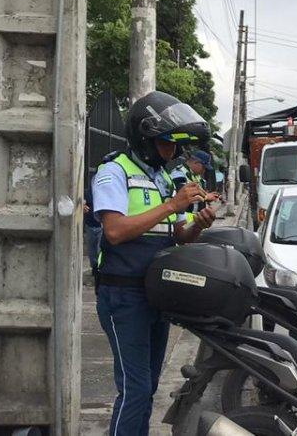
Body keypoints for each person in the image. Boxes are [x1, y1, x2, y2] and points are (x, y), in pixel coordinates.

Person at [92, 91, 218, 435]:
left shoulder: (161, 177)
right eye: (166, 144)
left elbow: (177, 234)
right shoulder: (113, 172)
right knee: (134, 389)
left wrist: (198, 224)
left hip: (155, 293)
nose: (172, 152)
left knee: (148, 387)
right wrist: (172, 206)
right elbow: (114, 231)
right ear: (145, 139)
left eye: (175, 146)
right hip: (123, 297)